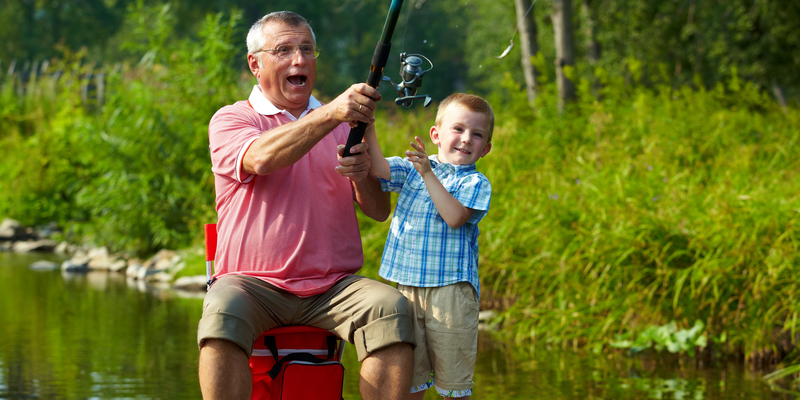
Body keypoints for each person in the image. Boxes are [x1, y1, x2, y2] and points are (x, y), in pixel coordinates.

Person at [198, 11, 414, 400]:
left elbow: (379, 210)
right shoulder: (232, 119)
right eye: (283, 50)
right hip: (252, 284)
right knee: (221, 308)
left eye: (306, 50)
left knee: (391, 307)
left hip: (333, 287)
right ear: (255, 64)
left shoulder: (349, 123)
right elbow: (261, 159)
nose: (299, 60)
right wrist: (330, 113)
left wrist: (363, 171)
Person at [365, 93, 494, 399]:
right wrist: (369, 127)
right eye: (458, 129)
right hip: (407, 289)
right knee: (410, 377)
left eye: (476, 135)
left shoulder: (475, 183)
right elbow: (380, 169)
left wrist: (428, 173)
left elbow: (454, 217)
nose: (466, 140)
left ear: (485, 148)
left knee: (453, 384)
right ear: (436, 135)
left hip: (451, 293)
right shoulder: (414, 168)